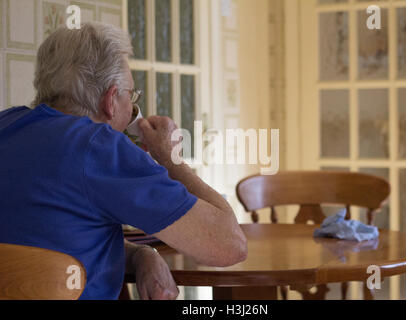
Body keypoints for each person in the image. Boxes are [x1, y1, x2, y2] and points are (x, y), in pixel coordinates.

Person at [0, 22, 247, 300]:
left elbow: (51, 244)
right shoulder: (100, 147)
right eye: (131, 95)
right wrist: (171, 158)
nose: (131, 107)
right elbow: (230, 245)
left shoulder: (6, 125)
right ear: (110, 101)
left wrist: (142, 255)